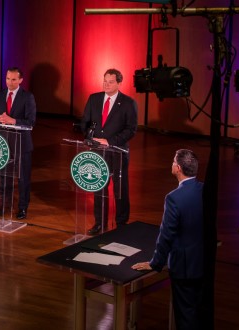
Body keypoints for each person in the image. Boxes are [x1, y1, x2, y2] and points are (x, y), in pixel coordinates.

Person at [132, 149, 204, 330]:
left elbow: (166, 235)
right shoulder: (205, 190)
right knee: (198, 311)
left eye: (173, 162)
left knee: (185, 316)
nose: (171, 164)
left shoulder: (174, 198)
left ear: (178, 168)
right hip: (203, 262)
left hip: (184, 267)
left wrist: (156, 263)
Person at [80, 68, 138, 234]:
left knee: (120, 189)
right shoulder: (94, 99)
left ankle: (121, 223)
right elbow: (85, 122)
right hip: (98, 151)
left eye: (110, 81)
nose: (106, 84)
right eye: (105, 80)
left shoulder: (128, 103)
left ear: (119, 83)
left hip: (117, 152)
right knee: (99, 187)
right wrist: (90, 137)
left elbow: (131, 129)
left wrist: (110, 141)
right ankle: (100, 223)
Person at [0, 67, 36, 219]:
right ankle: (4, 205)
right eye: (8, 79)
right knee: (4, 177)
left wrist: (13, 120)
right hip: (4, 142)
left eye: (14, 79)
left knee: (23, 178)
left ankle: (22, 208)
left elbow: (31, 121)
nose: (10, 82)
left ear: (20, 80)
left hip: (22, 143)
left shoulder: (27, 97)